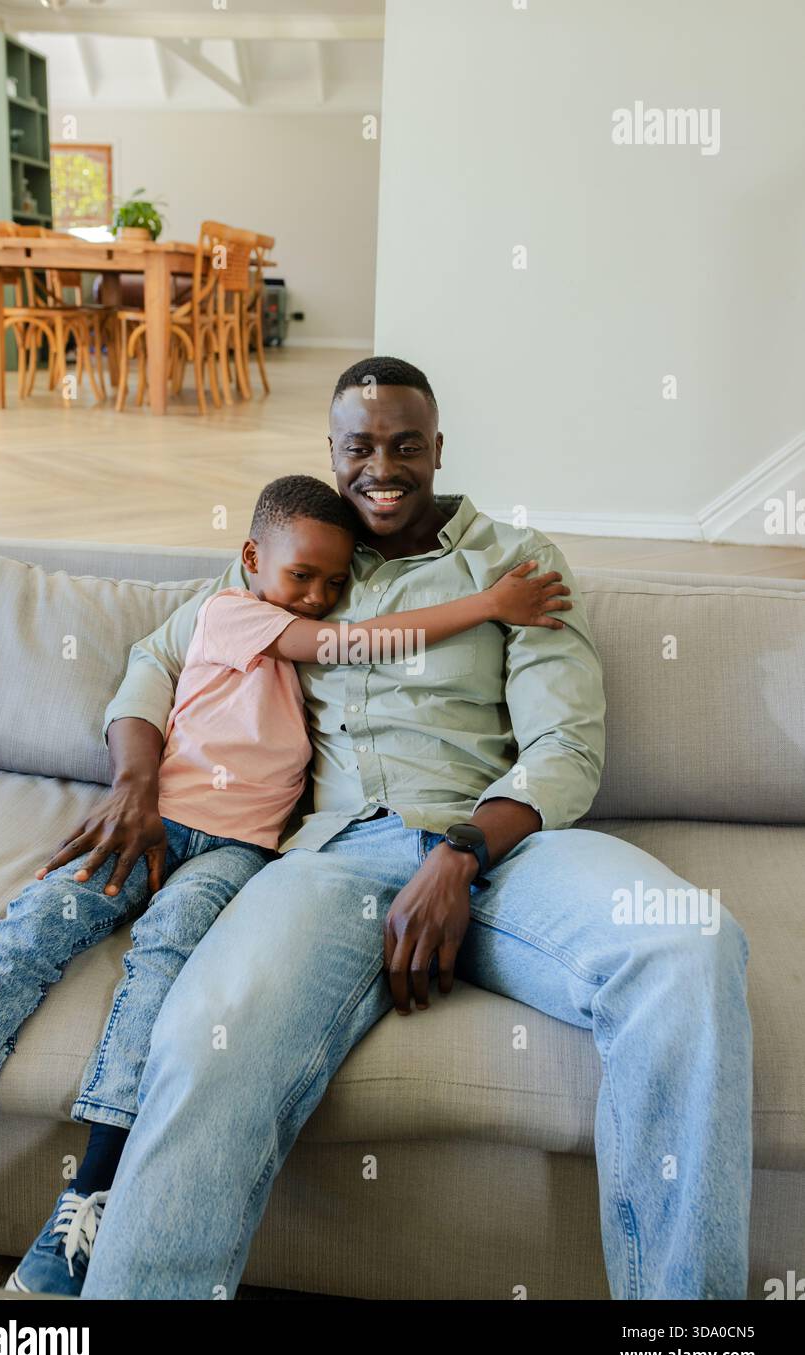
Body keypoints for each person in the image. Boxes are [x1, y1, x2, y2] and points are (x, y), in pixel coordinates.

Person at [75, 356, 751, 1301]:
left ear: (437, 449)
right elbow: (157, 657)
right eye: (360, 448)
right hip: (330, 862)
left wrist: (463, 855)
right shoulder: (305, 558)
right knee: (209, 1033)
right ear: (334, 454)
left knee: (689, 939)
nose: (381, 468)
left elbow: (564, 748)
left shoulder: (513, 564)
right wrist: (137, 780)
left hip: (505, 849)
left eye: (405, 445)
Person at [0, 471, 568, 1295]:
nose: (317, 597)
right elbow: (352, 643)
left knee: (165, 967)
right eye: (300, 576)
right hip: (162, 820)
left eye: (336, 583)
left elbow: (351, 664)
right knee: (36, 925)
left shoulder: (318, 633)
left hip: (242, 853)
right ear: (249, 561)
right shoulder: (234, 611)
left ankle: (92, 1193)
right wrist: (485, 606)